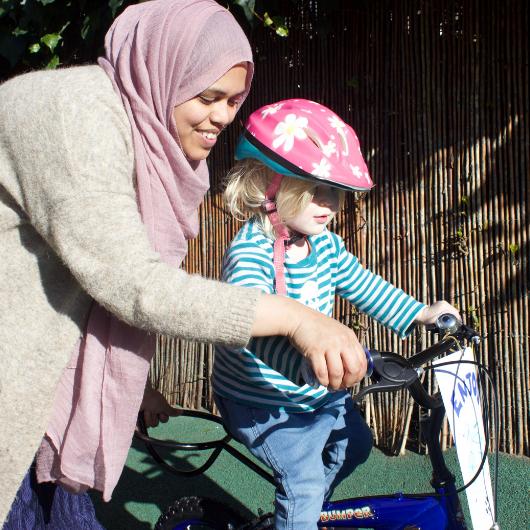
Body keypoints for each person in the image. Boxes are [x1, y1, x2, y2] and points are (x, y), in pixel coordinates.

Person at [0, 2, 369, 527]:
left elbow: (88, 274)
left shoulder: (143, 139)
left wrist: (130, 384)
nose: (222, 115)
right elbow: (135, 285)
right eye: (208, 97)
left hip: (42, 367)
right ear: (163, 69)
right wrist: (297, 319)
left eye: (232, 100)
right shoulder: (76, 116)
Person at [212, 98, 462, 529]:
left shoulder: (325, 245)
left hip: (316, 393)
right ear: (270, 183)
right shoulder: (251, 252)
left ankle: (300, 515)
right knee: (303, 481)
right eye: (315, 188)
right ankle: (301, 508)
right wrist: (307, 364)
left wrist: (420, 313)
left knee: (357, 445)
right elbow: (247, 325)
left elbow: (364, 285)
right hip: (262, 400)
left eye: (336, 191)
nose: (329, 202)